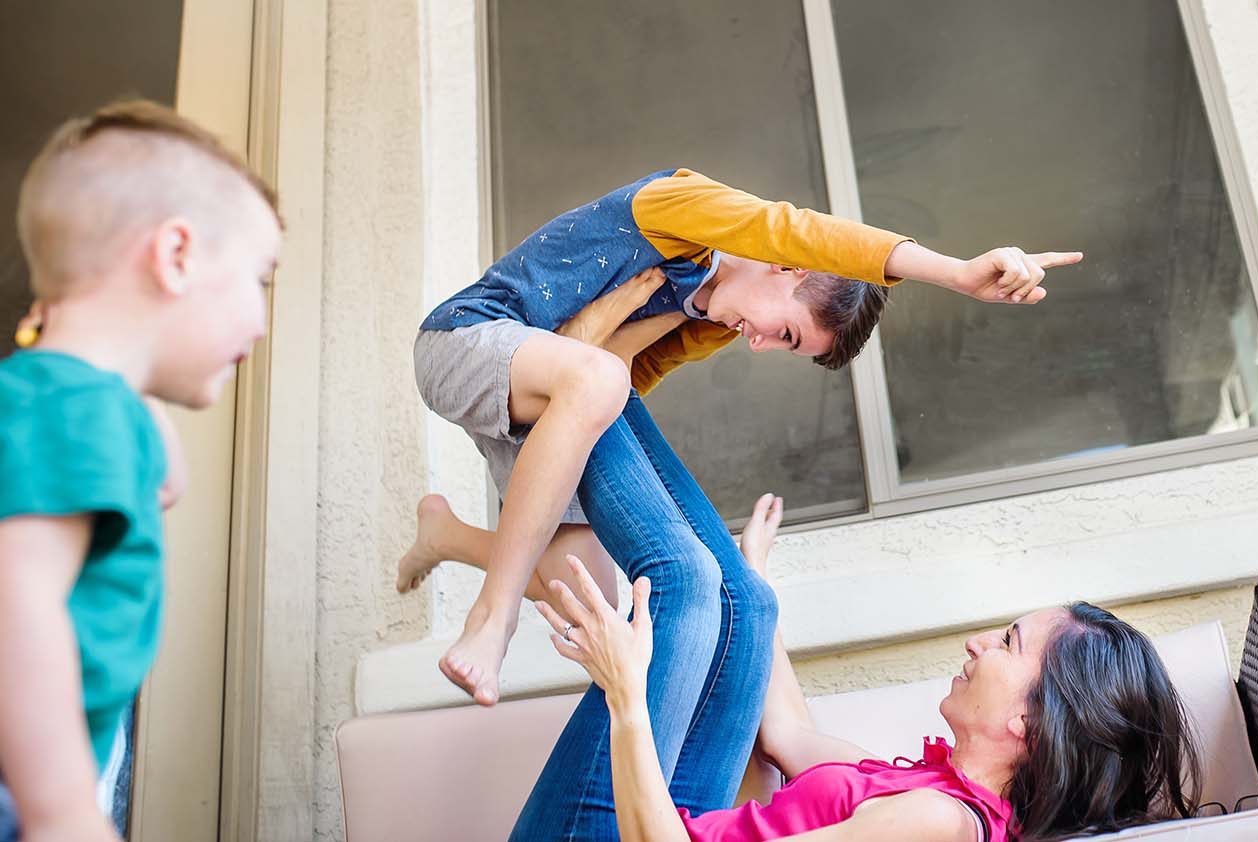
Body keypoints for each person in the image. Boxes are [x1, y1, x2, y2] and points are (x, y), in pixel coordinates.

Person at [406, 166, 1084, 709]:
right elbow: (795, 229)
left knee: (580, 594)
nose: (759, 346)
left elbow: (611, 372)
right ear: (788, 266)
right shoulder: (680, 212)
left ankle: (445, 537)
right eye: (784, 332)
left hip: (531, 396)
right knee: (597, 390)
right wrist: (958, 273)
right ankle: (491, 619)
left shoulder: (703, 320)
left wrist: (628, 324)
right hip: (465, 340)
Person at [538, 494, 1201, 841]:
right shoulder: (933, 798)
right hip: (660, 822)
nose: (977, 644)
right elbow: (788, 735)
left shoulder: (940, 825)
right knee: (730, 596)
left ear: (1031, 720)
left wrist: (628, 695)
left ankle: (579, 375)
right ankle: (582, 382)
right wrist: (759, 589)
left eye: (1006, 643)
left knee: (686, 586)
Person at [0, 100, 281, 842]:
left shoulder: (77, 401)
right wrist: (61, 816)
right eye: (261, 279)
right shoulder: (79, 405)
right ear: (177, 255)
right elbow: (13, 599)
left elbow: (164, 485)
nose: (260, 318)